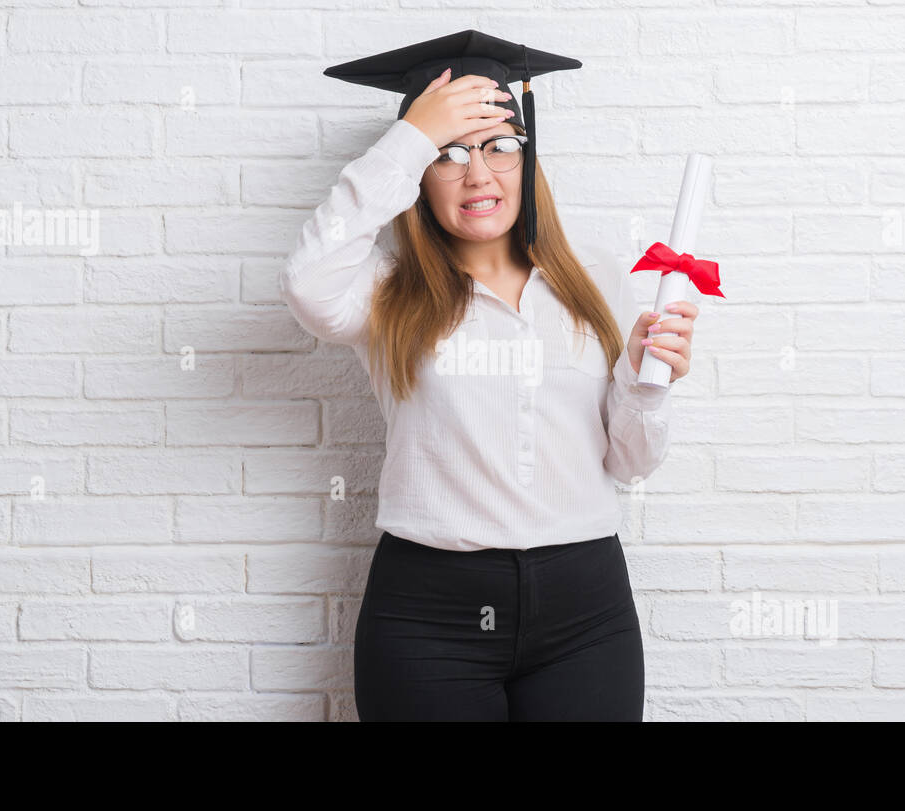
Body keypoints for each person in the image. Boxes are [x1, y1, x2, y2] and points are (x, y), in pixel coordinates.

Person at [280, 30, 700, 721]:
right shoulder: (385, 290)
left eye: (499, 146)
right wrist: (413, 136)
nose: (479, 175)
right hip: (428, 615)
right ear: (420, 173)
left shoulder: (598, 280)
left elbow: (630, 461)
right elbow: (306, 283)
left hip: (585, 613)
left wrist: (645, 383)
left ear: (528, 156)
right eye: (450, 154)